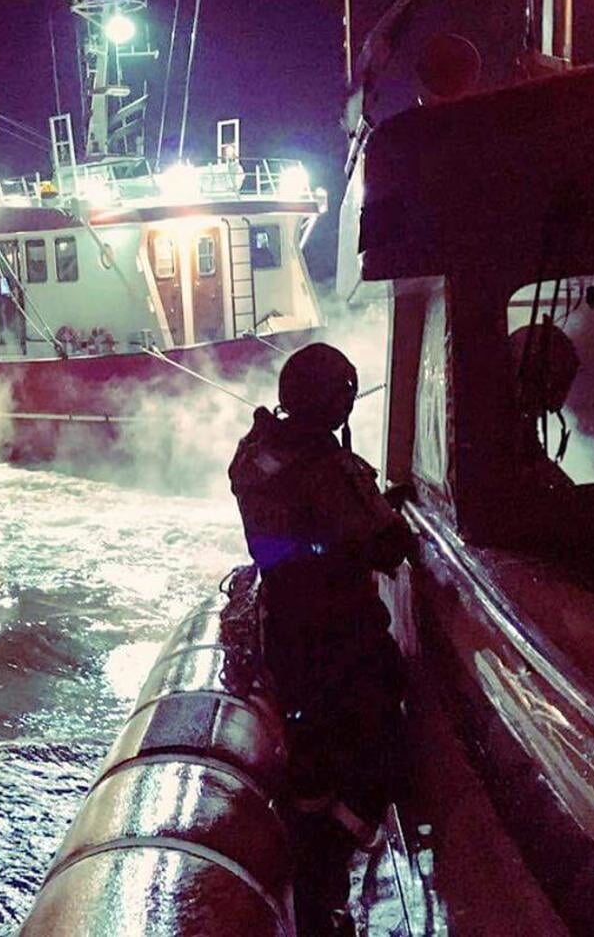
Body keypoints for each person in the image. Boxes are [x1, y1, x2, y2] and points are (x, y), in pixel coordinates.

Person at [228, 342, 415, 935]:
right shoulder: (330, 469)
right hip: (343, 636)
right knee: (384, 752)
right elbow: (386, 546)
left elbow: (294, 529)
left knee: (312, 762)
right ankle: (327, 868)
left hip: (287, 629)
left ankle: (311, 880)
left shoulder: (255, 454)